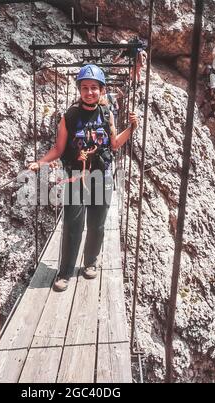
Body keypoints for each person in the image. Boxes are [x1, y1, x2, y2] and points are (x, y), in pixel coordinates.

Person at [28, 64, 138, 292]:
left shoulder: (107, 114)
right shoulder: (69, 116)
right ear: (79, 90)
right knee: (72, 225)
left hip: (102, 175)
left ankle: (90, 263)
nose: (90, 92)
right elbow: (58, 149)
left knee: (97, 225)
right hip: (76, 177)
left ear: (101, 89)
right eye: (85, 88)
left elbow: (115, 144)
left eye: (94, 88)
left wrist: (132, 128)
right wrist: (41, 162)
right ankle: (66, 271)